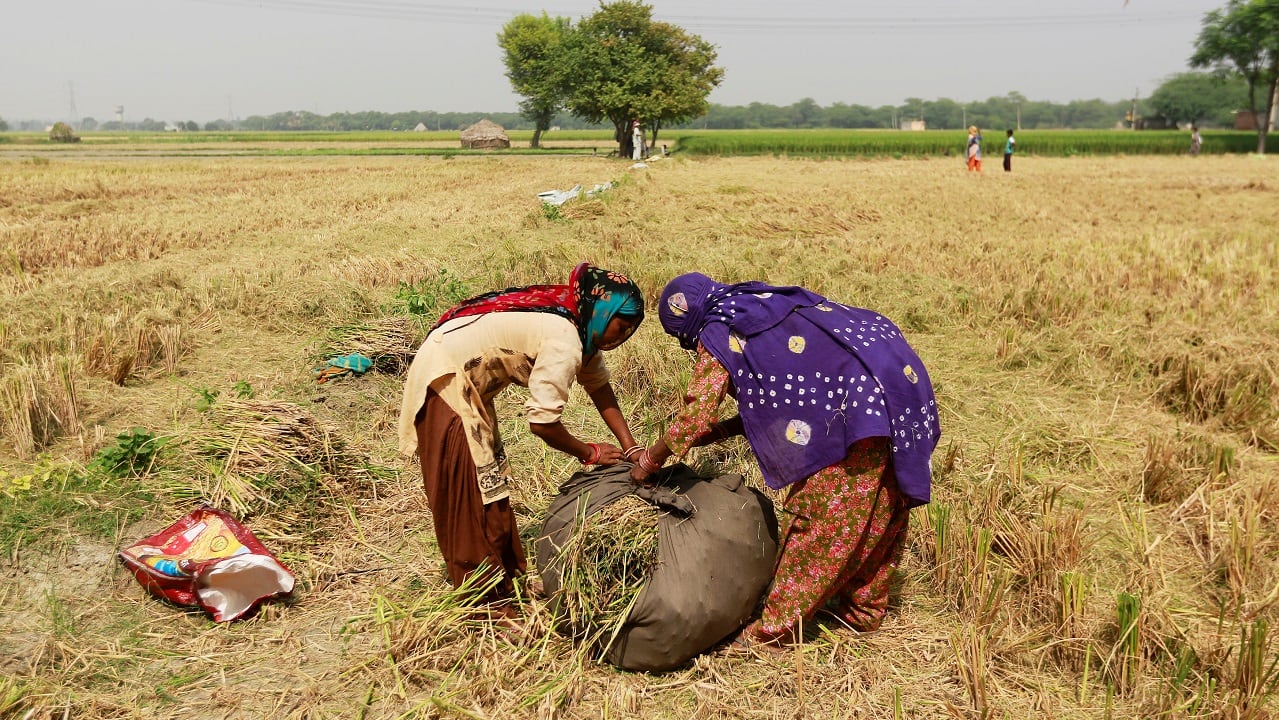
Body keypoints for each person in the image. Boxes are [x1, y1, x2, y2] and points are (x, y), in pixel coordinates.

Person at [631, 273, 940, 649]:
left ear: (687, 324)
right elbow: (779, 392)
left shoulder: (717, 329)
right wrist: (711, 436)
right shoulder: (755, 302)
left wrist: (649, 460)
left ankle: (772, 632)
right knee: (882, 506)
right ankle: (864, 609)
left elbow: (694, 417)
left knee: (823, 523)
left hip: (853, 407)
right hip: (898, 383)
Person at [397, 262, 646, 619]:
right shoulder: (565, 339)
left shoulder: (580, 320)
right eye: (619, 327)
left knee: (490, 487)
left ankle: (507, 586)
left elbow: (600, 388)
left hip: (469, 386)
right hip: (446, 381)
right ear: (602, 312)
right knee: (467, 499)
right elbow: (542, 423)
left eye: (630, 331)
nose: (621, 338)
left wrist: (632, 447)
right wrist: (588, 452)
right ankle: (483, 609)